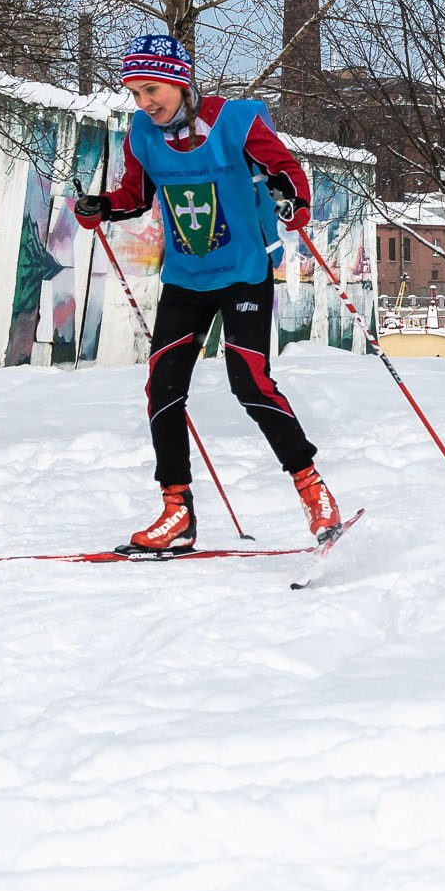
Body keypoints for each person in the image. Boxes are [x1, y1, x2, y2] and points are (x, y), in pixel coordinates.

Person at [73, 33, 345, 553]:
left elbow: (286, 171)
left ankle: (314, 492)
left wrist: (293, 200)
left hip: (243, 272)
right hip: (186, 279)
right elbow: (137, 193)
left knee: (250, 383)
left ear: (180, 81)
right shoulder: (142, 134)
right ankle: (176, 512)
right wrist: (102, 206)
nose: (144, 102)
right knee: (163, 387)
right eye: (134, 93)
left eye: (152, 89)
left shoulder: (234, 121)